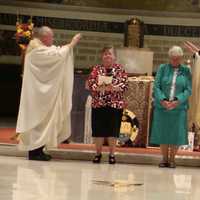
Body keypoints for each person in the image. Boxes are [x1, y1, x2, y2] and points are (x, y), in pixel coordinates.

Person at [16, 26, 81, 161]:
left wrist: (67, 47)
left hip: (40, 96)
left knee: (42, 122)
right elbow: (56, 55)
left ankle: (38, 150)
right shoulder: (36, 51)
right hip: (37, 96)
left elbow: (55, 52)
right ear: (44, 37)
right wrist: (72, 43)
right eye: (51, 36)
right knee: (37, 123)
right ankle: (34, 152)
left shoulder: (39, 49)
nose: (53, 39)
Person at [150, 46, 192, 168]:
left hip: (178, 108)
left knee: (175, 134)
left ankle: (172, 159)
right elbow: (156, 86)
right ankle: (164, 159)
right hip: (162, 107)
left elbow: (188, 90)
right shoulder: (162, 68)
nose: (175, 61)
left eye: (177, 59)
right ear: (169, 58)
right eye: (173, 59)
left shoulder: (186, 71)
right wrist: (163, 100)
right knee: (163, 133)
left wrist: (177, 101)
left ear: (181, 58)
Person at [87, 46, 128, 164]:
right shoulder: (96, 69)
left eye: (110, 54)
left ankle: (112, 154)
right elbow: (90, 84)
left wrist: (114, 88)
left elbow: (124, 85)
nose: (107, 56)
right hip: (99, 104)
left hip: (115, 105)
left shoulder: (120, 70)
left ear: (114, 57)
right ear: (102, 56)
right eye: (105, 54)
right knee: (98, 130)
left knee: (112, 131)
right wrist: (99, 87)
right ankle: (98, 154)